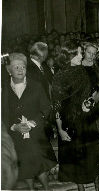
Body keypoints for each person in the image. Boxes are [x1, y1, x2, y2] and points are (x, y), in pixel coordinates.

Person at [52, 42, 99, 191]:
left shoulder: (83, 72)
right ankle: (81, 187)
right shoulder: (59, 76)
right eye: (78, 53)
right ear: (67, 56)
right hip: (69, 123)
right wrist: (59, 129)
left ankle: (97, 182)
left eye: (80, 52)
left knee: (92, 154)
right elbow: (57, 105)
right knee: (75, 156)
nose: (81, 56)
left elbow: (93, 99)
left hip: (87, 120)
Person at [2, 53, 57, 190]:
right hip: (16, 136)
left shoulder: (36, 85)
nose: (21, 70)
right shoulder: (4, 90)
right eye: (16, 67)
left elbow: (46, 108)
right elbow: (3, 114)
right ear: (9, 71)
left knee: (40, 164)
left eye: (23, 67)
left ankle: (46, 188)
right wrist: (14, 127)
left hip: (35, 134)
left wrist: (33, 123)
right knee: (25, 165)